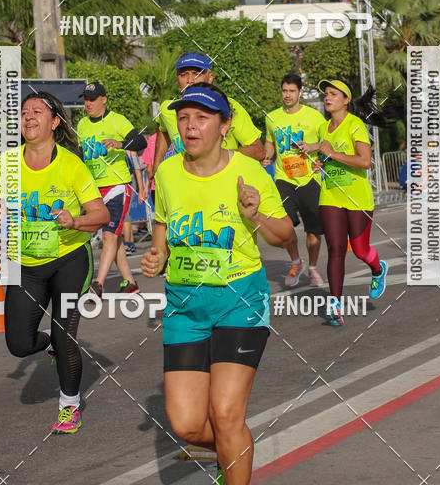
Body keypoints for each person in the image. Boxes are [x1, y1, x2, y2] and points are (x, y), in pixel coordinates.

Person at [141, 82, 293, 485]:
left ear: (225, 126)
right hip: (185, 306)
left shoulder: (250, 172)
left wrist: (255, 216)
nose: (191, 126)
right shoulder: (166, 172)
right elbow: (163, 224)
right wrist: (156, 256)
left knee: (226, 413)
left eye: (203, 118)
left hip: (238, 302)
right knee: (186, 425)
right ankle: (236, 456)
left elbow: (286, 236)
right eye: (184, 117)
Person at [0, 92, 109, 434]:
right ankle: (48, 339)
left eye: (37, 111)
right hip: (25, 264)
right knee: (18, 344)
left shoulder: (70, 164)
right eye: (23, 113)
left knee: (66, 335)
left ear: (54, 122)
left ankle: (70, 406)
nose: (28, 116)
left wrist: (75, 221)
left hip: (69, 261)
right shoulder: (7, 163)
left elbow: (101, 214)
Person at [299, 80, 388, 326]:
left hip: (357, 196)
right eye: (326, 94)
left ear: (345, 100)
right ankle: (335, 305)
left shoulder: (355, 125)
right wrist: (320, 164)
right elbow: (325, 160)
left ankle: (378, 268)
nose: (328, 97)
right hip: (331, 195)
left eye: (333, 94)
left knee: (360, 250)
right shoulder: (323, 129)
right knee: (336, 249)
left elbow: (365, 161)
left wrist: (331, 154)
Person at [76, 82, 147, 297]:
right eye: (86, 99)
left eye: (93, 99)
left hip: (117, 185)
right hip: (93, 189)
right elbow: (80, 157)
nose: (88, 103)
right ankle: (130, 282)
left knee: (109, 236)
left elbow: (139, 141)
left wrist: (119, 143)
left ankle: (97, 284)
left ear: (103, 100)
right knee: (114, 238)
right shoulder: (81, 125)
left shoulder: (117, 119)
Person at [150, 53, 264, 180]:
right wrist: (157, 165)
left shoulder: (229, 106)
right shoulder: (168, 109)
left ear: (210, 78)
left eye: (196, 74)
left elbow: (258, 150)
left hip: (224, 183)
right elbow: (163, 129)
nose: (190, 80)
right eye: (183, 75)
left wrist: (218, 158)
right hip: (186, 185)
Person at [264, 72, 325, 287]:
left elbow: (327, 144)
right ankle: (296, 261)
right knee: (286, 226)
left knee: (314, 230)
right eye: (284, 90)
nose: (287, 95)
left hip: (309, 179)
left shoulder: (315, 117)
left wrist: (318, 155)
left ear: (300, 92)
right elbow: (270, 142)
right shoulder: (271, 117)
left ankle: (313, 267)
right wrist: (266, 156)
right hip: (283, 178)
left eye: (291, 91)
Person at [123, 149, 148, 255]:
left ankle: (128, 243)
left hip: (129, 181)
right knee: (123, 213)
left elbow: (137, 168)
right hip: (119, 181)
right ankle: (131, 242)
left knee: (125, 214)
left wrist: (141, 189)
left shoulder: (130, 149)